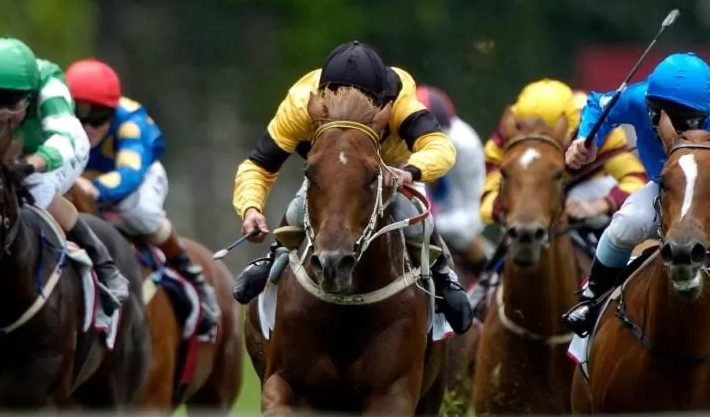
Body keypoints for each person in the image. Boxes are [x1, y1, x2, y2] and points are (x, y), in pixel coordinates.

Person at [232, 41, 474, 334]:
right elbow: (258, 165)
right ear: (321, 98)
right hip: (331, 173)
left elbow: (440, 146)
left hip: (389, 169)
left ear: (382, 103)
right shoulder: (298, 105)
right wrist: (251, 209)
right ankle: (277, 254)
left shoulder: (400, 102)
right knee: (299, 209)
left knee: (414, 217)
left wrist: (409, 172)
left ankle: (442, 273)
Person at [562, 52, 710, 336]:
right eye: (656, 112)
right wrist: (586, 139)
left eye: (679, 120)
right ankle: (592, 297)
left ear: (704, 117)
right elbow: (598, 104)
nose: (661, 124)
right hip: (665, 188)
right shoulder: (639, 97)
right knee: (628, 222)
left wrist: (702, 208)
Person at [0, 37, 129, 315]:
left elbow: (62, 142)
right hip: (4, 151)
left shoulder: (50, 85)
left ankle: (103, 263)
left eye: (13, 104)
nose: (4, 115)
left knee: (35, 188)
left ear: (30, 94)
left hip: (59, 146)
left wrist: (30, 165)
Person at [65, 59, 220, 341]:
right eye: (77, 114)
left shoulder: (131, 121)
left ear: (112, 112)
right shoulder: (56, 120)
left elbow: (129, 174)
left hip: (139, 177)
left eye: (97, 116)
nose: (86, 126)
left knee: (141, 213)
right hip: (85, 177)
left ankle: (192, 276)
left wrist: (94, 189)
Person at [481, 79, 647, 228]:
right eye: (526, 133)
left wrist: (600, 205)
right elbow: (488, 193)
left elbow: (637, 181)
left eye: (545, 137)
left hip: (585, 195)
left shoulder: (598, 130)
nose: (535, 148)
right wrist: (505, 205)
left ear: (570, 128)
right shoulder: (509, 133)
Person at [415, 85, 489, 275]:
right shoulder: (395, 143)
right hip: (420, 224)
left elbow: (476, 213)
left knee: (480, 253)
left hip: (455, 224)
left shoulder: (465, 144)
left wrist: (437, 226)